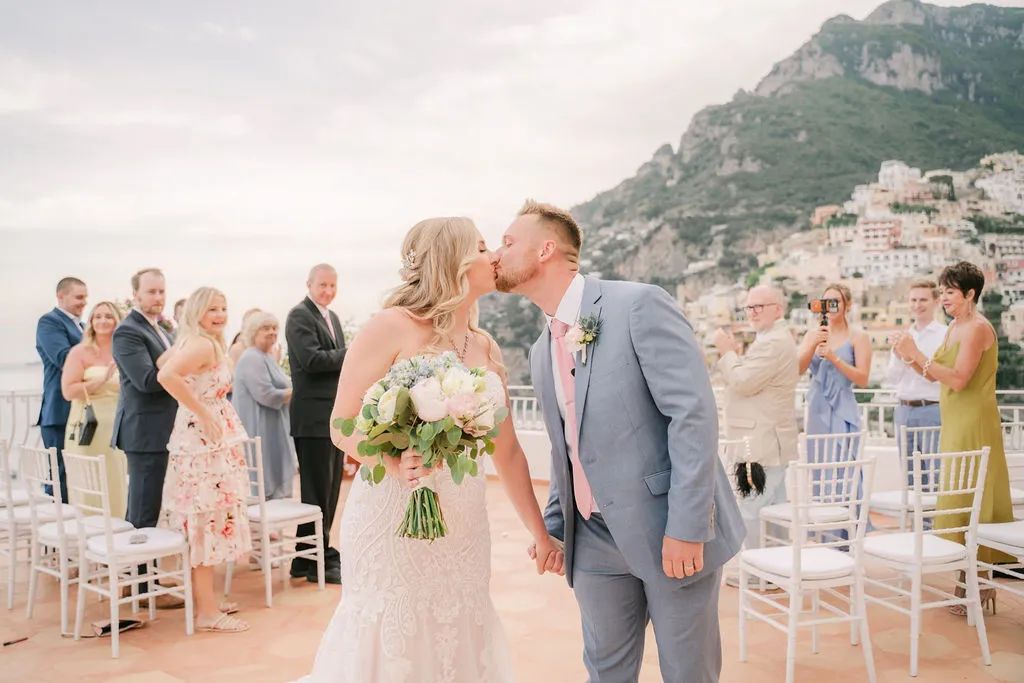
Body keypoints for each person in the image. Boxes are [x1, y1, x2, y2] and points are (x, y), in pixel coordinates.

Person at [298, 217, 561, 682]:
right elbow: (341, 425)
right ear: (453, 261)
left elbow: (510, 454)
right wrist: (393, 461)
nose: (494, 256)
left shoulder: (484, 346)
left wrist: (539, 533)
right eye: (482, 248)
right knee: (391, 629)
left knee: (459, 628)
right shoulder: (390, 326)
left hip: (463, 524)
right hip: (392, 515)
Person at [495, 200, 745, 683]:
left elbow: (692, 414)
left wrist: (689, 525)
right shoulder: (540, 347)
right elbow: (565, 447)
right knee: (605, 671)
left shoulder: (638, 303)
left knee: (687, 672)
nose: (496, 254)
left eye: (508, 243)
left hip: (668, 530)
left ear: (546, 249)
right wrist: (556, 528)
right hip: (591, 541)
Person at [893, 261, 1014, 615]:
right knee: (959, 495)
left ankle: (977, 580)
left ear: (970, 293)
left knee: (971, 496)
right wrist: (909, 354)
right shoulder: (955, 326)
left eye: (949, 292)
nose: (943, 298)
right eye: (942, 292)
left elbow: (959, 379)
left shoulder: (976, 328)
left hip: (974, 423)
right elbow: (935, 376)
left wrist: (917, 355)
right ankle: (974, 578)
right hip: (955, 421)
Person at [158, 287, 253, 633]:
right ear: (197, 311)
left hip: (202, 439)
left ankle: (207, 603)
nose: (220, 313)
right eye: (212, 308)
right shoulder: (200, 344)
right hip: (203, 442)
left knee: (207, 521)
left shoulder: (197, 341)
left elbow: (165, 364)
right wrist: (202, 410)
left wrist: (198, 405)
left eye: (224, 307)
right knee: (206, 522)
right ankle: (207, 613)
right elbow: (165, 375)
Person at [712, 285, 799, 586]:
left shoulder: (772, 343)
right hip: (769, 439)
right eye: (749, 307)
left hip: (760, 442)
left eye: (760, 306)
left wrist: (726, 352)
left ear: (779, 308)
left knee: (751, 507)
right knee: (773, 508)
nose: (753, 313)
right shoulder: (773, 339)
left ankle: (761, 572)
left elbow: (743, 381)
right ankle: (777, 570)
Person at [111, 268, 182, 607]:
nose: (158, 298)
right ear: (136, 295)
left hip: (163, 431)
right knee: (141, 513)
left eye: (162, 292)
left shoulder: (162, 329)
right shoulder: (127, 331)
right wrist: (180, 351)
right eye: (151, 292)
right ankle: (140, 588)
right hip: (143, 432)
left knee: (150, 510)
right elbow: (147, 380)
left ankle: (146, 582)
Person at [285, 265, 346, 585]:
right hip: (311, 418)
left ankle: (303, 559)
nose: (328, 291)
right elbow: (312, 360)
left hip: (332, 417)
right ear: (309, 284)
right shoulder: (299, 316)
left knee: (330, 491)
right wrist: (351, 354)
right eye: (323, 285)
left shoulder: (332, 318)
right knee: (316, 493)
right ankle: (317, 559)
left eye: (333, 285)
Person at [61, 301, 129, 517]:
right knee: (90, 481)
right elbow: (68, 392)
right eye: (97, 316)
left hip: (118, 428)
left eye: (108, 316)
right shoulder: (79, 352)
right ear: (91, 322)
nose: (103, 321)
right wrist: (100, 381)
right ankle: (88, 535)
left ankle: (117, 532)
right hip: (88, 429)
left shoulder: (124, 350)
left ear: (117, 320)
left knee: (116, 479)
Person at [885, 280, 946, 480]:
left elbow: (939, 377)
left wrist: (912, 356)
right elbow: (892, 378)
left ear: (936, 302)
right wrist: (897, 354)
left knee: (934, 473)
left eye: (923, 300)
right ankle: (914, 513)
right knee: (910, 477)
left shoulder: (945, 335)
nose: (917, 305)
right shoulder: (903, 335)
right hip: (903, 410)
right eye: (913, 300)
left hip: (932, 409)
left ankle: (933, 513)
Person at [232, 311, 296, 500]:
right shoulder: (252, 357)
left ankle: (275, 525)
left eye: (274, 328)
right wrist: (299, 391)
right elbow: (266, 395)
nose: (272, 332)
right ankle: (267, 523)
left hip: (273, 425)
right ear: (253, 331)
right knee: (264, 476)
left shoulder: (266, 356)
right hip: (260, 427)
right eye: (265, 328)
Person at [36, 276, 87, 501]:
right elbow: (63, 358)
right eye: (79, 297)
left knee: (82, 474)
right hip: (59, 412)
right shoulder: (49, 322)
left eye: (86, 297)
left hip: (82, 412)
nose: (84, 302)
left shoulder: (84, 327)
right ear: (61, 296)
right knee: (59, 477)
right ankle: (57, 530)